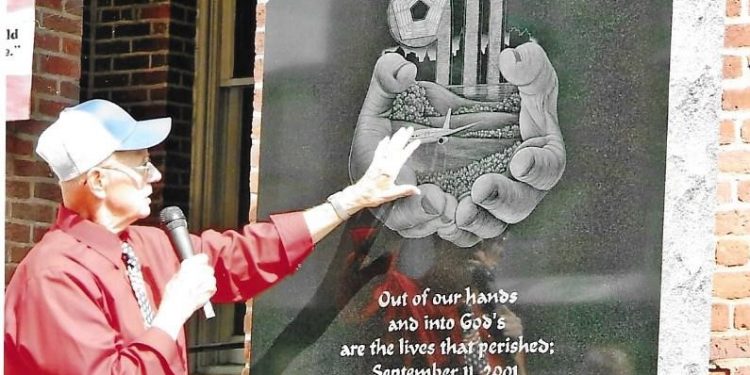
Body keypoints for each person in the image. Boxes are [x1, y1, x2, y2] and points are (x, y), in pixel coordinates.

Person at [4, 99, 421, 374]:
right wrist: (173, 311)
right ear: (96, 180)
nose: (156, 175)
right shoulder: (52, 277)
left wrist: (351, 199)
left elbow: (245, 256)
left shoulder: (146, 245)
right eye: (141, 165)